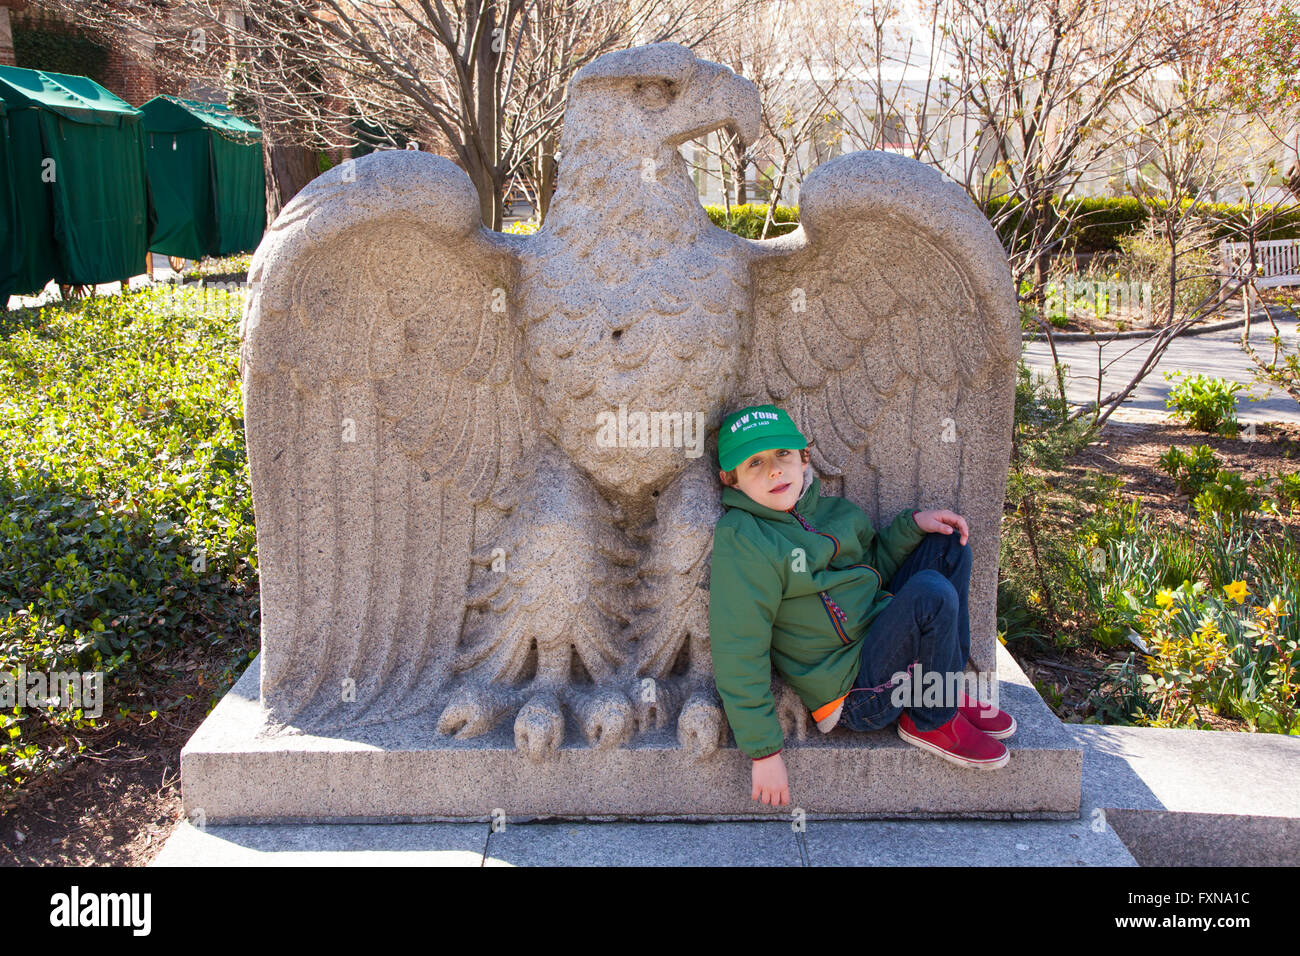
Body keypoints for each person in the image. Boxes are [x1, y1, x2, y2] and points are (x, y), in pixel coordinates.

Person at [708, 404, 1016, 807]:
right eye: (755, 464)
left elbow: (874, 569)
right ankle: (930, 721)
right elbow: (738, 645)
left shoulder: (833, 512)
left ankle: (940, 689)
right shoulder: (745, 537)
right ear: (730, 481)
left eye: (783, 454)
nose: (774, 471)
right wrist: (764, 751)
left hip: (881, 638)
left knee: (948, 547)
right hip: (855, 692)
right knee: (931, 593)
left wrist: (913, 526)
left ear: (804, 457)